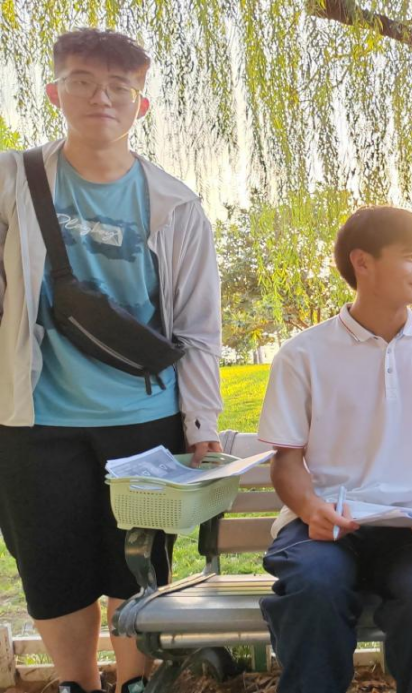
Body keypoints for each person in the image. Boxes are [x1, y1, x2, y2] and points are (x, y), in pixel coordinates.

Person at [0, 28, 222, 693]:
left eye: (119, 87)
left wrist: (202, 422)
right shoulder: (12, 181)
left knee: (138, 566)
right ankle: (77, 683)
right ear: (54, 92)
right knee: (52, 568)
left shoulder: (175, 205)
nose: (101, 98)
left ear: (139, 105)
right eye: (83, 82)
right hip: (33, 419)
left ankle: (134, 683)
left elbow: (197, 327)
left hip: (143, 418)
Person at [256, 206, 412, 693]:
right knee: (313, 587)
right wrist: (311, 508)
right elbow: (286, 461)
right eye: (410, 256)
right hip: (325, 525)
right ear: (362, 262)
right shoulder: (302, 354)